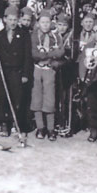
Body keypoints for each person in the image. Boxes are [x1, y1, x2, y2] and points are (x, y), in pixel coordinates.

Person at [0, 6, 33, 137]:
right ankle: (4, 123)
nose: (13, 22)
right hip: (2, 71)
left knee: (17, 97)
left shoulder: (24, 35)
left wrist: (25, 74)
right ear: (4, 20)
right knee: (2, 97)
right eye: (10, 19)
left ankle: (15, 123)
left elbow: (27, 56)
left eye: (15, 19)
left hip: (17, 71)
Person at [30, 9, 64, 140]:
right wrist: (50, 54)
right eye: (42, 22)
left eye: (47, 22)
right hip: (37, 69)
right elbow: (34, 54)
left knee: (50, 98)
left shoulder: (55, 36)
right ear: (38, 23)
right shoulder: (34, 36)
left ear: (51, 23)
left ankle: (50, 128)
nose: (45, 25)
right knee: (37, 97)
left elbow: (60, 52)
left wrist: (48, 56)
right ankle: (40, 127)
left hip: (49, 69)